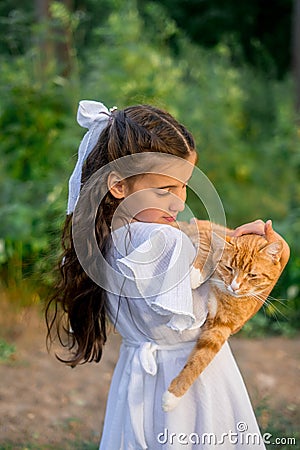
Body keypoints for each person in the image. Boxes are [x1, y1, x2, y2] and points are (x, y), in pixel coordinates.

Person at [46, 100, 290, 450]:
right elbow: (226, 318)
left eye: (184, 187)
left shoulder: (106, 237)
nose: (178, 202)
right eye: (164, 190)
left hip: (137, 381)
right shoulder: (165, 242)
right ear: (118, 186)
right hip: (194, 394)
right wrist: (279, 256)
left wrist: (233, 246)